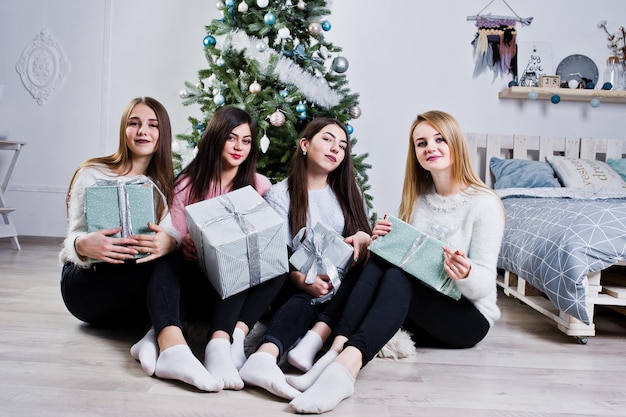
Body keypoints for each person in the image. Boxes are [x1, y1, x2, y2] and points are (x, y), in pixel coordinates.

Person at [287, 110, 506, 414]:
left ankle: (345, 368)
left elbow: (483, 288)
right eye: (421, 143)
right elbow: (406, 266)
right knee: (380, 260)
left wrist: (466, 273)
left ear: (455, 144)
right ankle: (334, 352)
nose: (430, 148)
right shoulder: (420, 201)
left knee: (396, 275)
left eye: (440, 139)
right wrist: (380, 241)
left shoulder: (485, 204)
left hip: (468, 317)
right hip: (422, 312)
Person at [129, 105, 280, 392]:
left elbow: (265, 238)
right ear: (216, 138)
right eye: (231, 138)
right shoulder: (189, 182)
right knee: (168, 260)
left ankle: (226, 341)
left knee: (270, 262)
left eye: (246, 141)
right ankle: (156, 337)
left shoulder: (259, 186)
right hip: (195, 276)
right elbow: (173, 233)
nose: (239, 147)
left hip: (234, 285)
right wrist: (184, 242)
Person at [238, 117, 372, 400]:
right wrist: (301, 279)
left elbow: (364, 241)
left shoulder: (349, 192)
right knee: (303, 300)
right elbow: (276, 253)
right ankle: (265, 356)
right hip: (295, 281)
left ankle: (311, 344)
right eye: (327, 139)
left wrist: (363, 237)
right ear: (304, 144)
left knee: (364, 278)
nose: (336, 148)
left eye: (343, 145)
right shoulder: (280, 194)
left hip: (341, 282)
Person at [60, 96, 178, 327]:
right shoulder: (92, 172)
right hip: (88, 282)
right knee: (169, 266)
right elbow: (72, 236)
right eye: (134, 123)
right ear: (124, 130)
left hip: (133, 287)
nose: (142, 131)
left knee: (174, 259)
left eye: (153, 125)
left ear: (162, 133)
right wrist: (81, 245)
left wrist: (170, 243)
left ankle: (160, 333)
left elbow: (167, 235)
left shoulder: (162, 184)